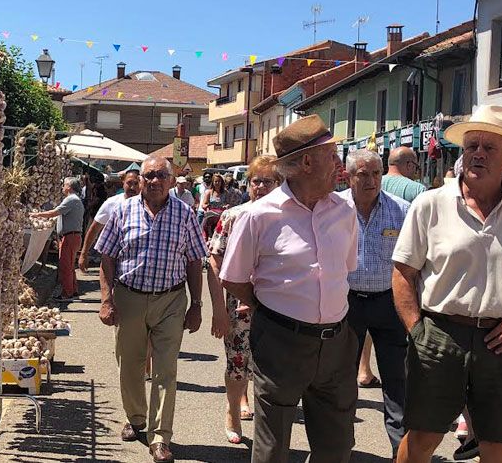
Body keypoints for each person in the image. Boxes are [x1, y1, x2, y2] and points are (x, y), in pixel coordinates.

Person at [391, 104, 502, 463]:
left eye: (489, 147)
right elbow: (403, 272)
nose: (478, 154)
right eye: (472, 146)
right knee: (423, 436)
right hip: (440, 333)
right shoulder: (430, 204)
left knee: (498, 442)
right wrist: (417, 332)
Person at [220, 115, 358, 463]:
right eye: (333, 155)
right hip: (280, 342)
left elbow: (346, 270)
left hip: (337, 343)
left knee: (337, 448)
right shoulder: (259, 215)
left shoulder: (344, 210)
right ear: (307, 162)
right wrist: (268, 308)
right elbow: (232, 277)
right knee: (272, 450)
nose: (340, 164)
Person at [95, 155, 207, 463]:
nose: (155, 181)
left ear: (171, 181)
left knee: (165, 370)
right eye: (149, 176)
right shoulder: (122, 211)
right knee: (129, 365)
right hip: (129, 297)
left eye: (161, 175)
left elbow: (195, 261)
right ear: (140, 180)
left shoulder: (185, 214)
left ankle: (160, 438)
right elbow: (106, 257)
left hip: (171, 300)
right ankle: (136, 419)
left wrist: (196, 305)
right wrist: (106, 299)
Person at [207, 154, 283, 445]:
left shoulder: (287, 217)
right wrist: (218, 310)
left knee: (274, 366)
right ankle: (233, 410)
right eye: (256, 181)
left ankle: (266, 423)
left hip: (279, 305)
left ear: (279, 184)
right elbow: (214, 261)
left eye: (268, 181)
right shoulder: (233, 216)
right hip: (238, 305)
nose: (261, 186)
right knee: (237, 362)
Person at [339, 149, 411, 456]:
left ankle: (402, 452)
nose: (371, 180)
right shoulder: (333, 209)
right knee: (341, 381)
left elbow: (413, 262)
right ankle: (341, 447)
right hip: (346, 304)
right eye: (363, 174)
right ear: (348, 177)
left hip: (389, 303)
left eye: (376, 174)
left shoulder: (402, 210)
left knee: (397, 381)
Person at [32, 177, 85, 301]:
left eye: (64, 185)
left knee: (65, 266)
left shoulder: (71, 200)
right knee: (70, 266)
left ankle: (67, 293)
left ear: (69, 187)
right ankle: (73, 290)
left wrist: (37, 215)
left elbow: (54, 213)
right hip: (72, 236)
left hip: (70, 237)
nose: (62, 187)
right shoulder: (75, 200)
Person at [78, 170, 141, 272]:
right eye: (129, 183)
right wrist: (84, 254)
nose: (133, 187)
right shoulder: (112, 203)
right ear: (123, 182)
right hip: (112, 262)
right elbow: (94, 229)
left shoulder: (148, 205)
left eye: (136, 183)